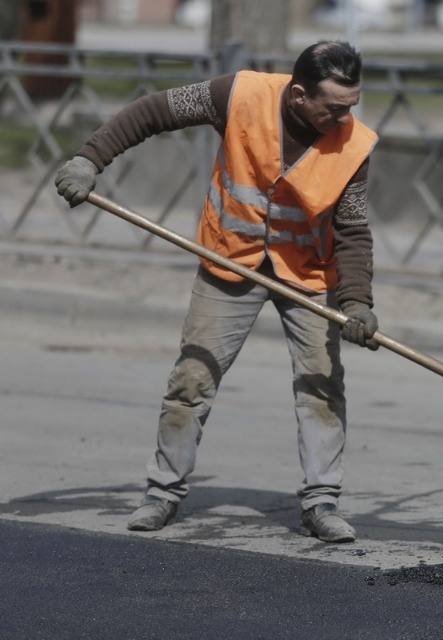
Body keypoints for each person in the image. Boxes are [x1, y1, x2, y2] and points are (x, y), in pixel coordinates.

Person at [54, 40, 380, 543]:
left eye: (351, 106)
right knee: (192, 379)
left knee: (321, 386)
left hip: (307, 275)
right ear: (298, 95)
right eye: (334, 107)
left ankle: (321, 503)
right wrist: (88, 160)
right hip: (230, 258)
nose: (344, 118)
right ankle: (162, 493)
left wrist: (357, 301)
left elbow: (352, 230)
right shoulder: (237, 95)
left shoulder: (353, 146)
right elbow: (152, 111)